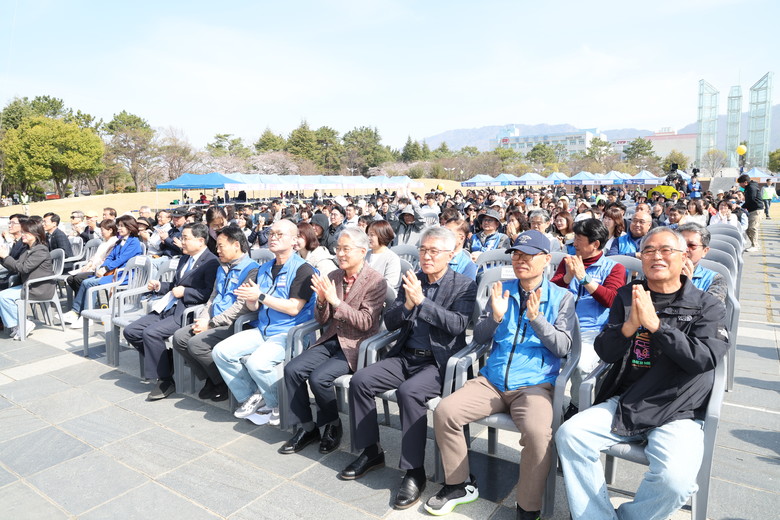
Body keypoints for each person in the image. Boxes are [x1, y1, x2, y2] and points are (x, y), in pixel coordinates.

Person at [556, 226, 728, 520]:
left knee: (676, 482)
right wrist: (628, 327)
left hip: (678, 408)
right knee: (570, 434)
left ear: (683, 257)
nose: (656, 256)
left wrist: (657, 327)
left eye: (666, 250)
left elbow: (703, 359)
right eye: (649, 250)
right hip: (628, 401)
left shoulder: (706, 305)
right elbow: (606, 352)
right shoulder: (628, 295)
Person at [425, 230, 575, 519]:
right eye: (516, 254)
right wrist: (495, 317)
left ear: (546, 259)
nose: (520, 260)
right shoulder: (502, 290)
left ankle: (528, 507)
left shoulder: (561, 297)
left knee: (538, 435)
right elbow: (480, 338)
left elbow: (563, 347)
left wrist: (537, 320)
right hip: (492, 381)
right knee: (445, 411)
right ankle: (459, 484)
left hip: (534, 385)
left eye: (528, 256)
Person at [343, 227, 477, 510]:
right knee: (360, 381)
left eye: (434, 251)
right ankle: (371, 450)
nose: (426, 256)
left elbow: (457, 325)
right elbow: (391, 322)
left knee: (409, 392)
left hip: (438, 362)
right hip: (405, 356)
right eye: (423, 250)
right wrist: (407, 304)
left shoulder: (464, 285)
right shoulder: (413, 279)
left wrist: (423, 303)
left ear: (450, 255)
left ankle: (414, 471)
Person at [279, 228, 387, 455]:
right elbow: (322, 320)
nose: (340, 254)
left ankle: (332, 424)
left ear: (362, 251)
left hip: (356, 345)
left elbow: (366, 322)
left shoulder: (375, 281)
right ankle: (307, 427)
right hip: (331, 338)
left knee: (319, 379)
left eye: (346, 249)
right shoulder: (335, 276)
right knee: (292, 370)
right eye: (338, 248)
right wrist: (321, 301)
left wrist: (336, 302)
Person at [212, 219, 316, 425]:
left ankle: (278, 403)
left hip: (290, 333)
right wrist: (251, 299)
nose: (273, 238)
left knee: (257, 363)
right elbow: (254, 308)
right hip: (263, 329)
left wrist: (260, 296)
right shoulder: (264, 268)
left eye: (279, 234)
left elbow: (294, 308)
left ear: (294, 240)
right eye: (271, 234)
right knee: (221, 352)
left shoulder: (304, 270)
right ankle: (253, 395)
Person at [123, 223, 219, 400]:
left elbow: (209, 293)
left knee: (151, 333)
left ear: (200, 241)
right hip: (168, 305)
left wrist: (186, 292)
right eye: (182, 238)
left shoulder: (211, 262)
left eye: (185, 238)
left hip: (186, 312)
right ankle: (165, 361)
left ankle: (165, 380)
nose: (181, 242)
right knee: (131, 331)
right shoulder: (185, 258)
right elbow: (175, 285)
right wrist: (160, 286)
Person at [171, 226, 259, 402]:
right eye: (217, 246)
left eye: (221, 246)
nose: (217, 250)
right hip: (213, 320)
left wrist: (211, 324)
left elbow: (241, 307)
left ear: (236, 245)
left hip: (235, 323)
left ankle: (224, 382)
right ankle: (212, 378)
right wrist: (204, 318)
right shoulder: (222, 267)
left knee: (197, 344)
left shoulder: (251, 269)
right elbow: (213, 296)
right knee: (179, 338)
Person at [550, 219, 626, 418]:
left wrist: (584, 279)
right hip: (560, 326)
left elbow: (611, 299)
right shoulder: (568, 261)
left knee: (582, 365)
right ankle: (541, 399)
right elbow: (550, 292)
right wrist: (567, 277)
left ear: (595, 244)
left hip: (591, 331)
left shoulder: (614, 268)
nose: (574, 243)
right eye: (574, 237)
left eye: (579, 239)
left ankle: (576, 406)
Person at [62, 215, 144, 329]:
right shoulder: (120, 241)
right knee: (85, 282)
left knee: (90, 283)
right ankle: (76, 312)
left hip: (124, 275)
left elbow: (122, 259)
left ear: (130, 228)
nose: (119, 228)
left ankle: (87, 316)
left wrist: (105, 269)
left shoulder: (134, 242)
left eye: (122, 226)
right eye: (119, 225)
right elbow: (110, 257)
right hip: (114, 272)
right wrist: (103, 267)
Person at [0, 219, 55, 339]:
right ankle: (18, 325)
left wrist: (6, 256)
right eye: (23, 232)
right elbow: (16, 267)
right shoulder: (27, 249)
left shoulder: (40, 249)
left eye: (25, 232)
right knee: (2, 295)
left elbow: (23, 268)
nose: (22, 235)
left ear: (35, 234)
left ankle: (23, 324)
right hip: (28, 285)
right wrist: (3, 257)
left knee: (4, 297)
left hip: (39, 288)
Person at [677, 223, 728, 304]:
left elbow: (711, 308)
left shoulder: (715, 280)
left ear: (705, 251)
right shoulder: (661, 272)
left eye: (691, 245)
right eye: (681, 245)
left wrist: (687, 286)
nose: (685, 249)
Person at [66, 219, 119, 295]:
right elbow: (95, 255)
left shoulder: (114, 242)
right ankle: (82, 298)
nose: (101, 232)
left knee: (78, 278)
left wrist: (93, 267)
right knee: (70, 279)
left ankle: (84, 299)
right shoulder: (104, 241)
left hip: (100, 269)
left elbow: (107, 259)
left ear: (110, 230)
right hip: (93, 267)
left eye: (102, 230)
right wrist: (88, 264)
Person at [366, 220, 402, 290]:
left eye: (372, 235)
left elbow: (390, 285)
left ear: (382, 236)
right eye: (367, 235)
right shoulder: (365, 254)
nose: (368, 238)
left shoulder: (392, 259)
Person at [738, 174, 763, 251]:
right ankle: (754, 244)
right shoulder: (748, 187)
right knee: (748, 228)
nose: (740, 185)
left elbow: (751, 199)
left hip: (756, 210)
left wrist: (742, 206)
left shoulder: (752, 188)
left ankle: (755, 245)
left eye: (740, 183)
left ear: (745, 182)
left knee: (752, 228)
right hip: (752, 210)